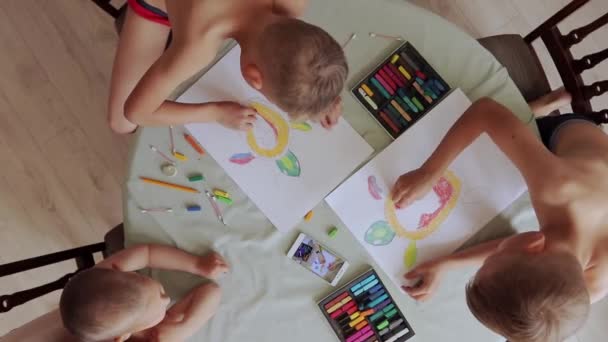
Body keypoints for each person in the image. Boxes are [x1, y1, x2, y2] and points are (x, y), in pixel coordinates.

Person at [391, 90, 608, 342]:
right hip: (568, 135)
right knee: (506, 142)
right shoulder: (555, 188)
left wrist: (447, 263)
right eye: (494, 257)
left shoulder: (584, 289)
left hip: (589, 184)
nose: (492, 254)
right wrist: (429, 173)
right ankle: (539, 108)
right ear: (532, 243)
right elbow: (485, 110)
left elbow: (524, 269)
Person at [108, 0, 347, 134]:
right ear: (254, 78)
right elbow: (136, 112)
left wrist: (322, 96)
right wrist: (215, 112)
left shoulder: (293, 5)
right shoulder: (197, 47)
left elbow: (311, 61)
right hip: (158, 7)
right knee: (121, 123)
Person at [59, 244, 229, 341]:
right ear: (124, 336)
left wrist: (197, 264)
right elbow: (211, 291)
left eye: (161, 292)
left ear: (124, 271)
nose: (167, 299)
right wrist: (185, 326)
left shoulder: (105, 275)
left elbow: (147, 253)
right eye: (163, 300)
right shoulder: (153, 336)